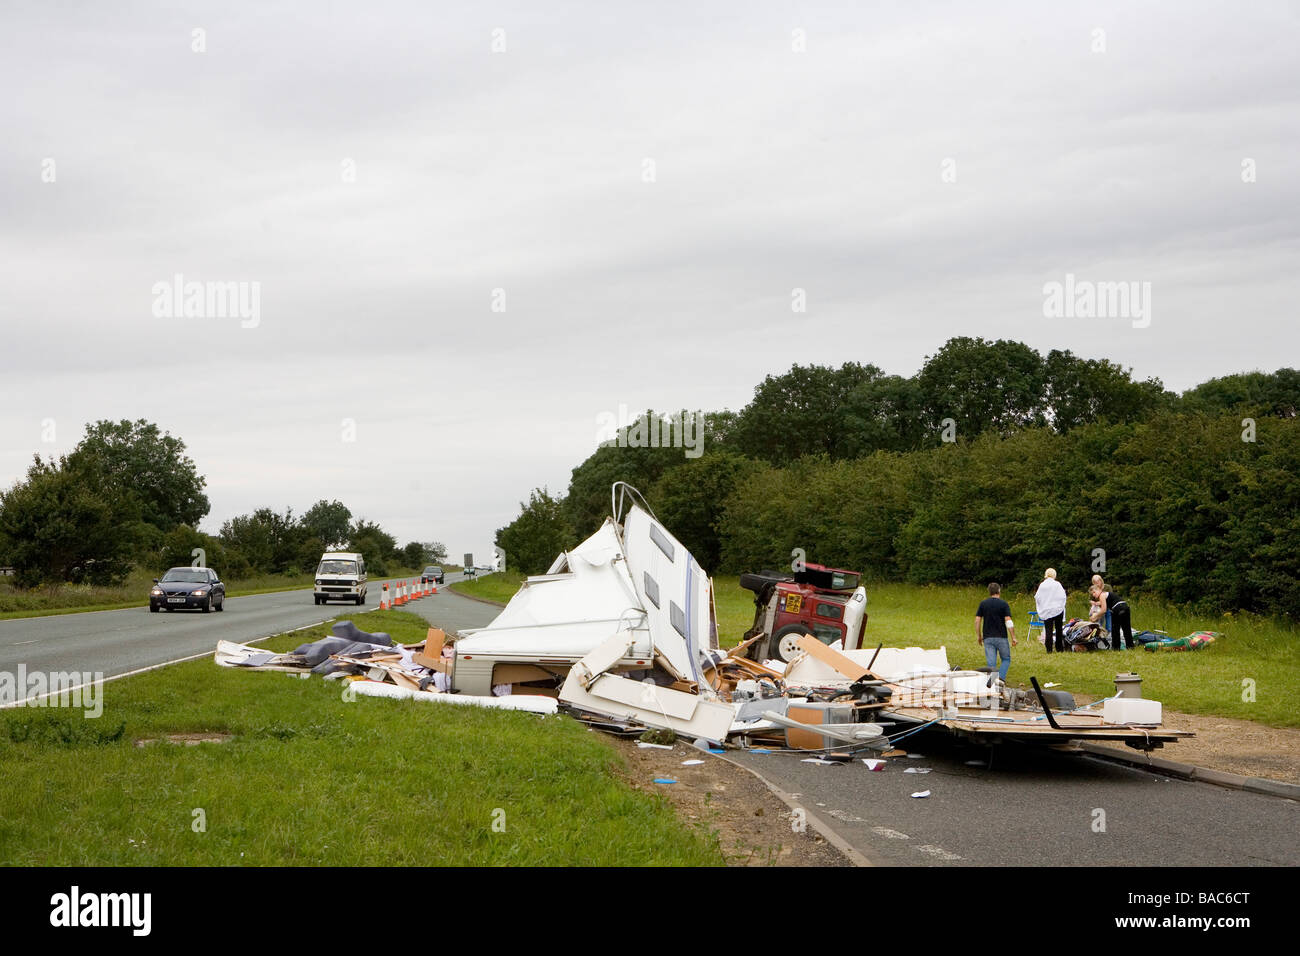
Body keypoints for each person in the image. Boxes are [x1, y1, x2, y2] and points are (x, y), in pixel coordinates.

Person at [975, 582, 1016, 680]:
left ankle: (992, 682)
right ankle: (1000, 679)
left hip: (988, 637)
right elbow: (1008, 621)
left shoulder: (983, 604)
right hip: (1001, 636)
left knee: (991, 664)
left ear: (989, 592)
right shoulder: (1003, 604)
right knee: (1006, 659)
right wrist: (1013, 637)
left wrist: (979, 636)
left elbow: (977, 621)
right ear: (999, 591)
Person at [1035, 568, 1067, 653]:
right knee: (1059, 629)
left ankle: (1049, 649)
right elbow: (1063, 596)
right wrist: (1060, 605)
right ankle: (1059, 648)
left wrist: (1043, 605)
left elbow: (1038, 597)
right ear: (1054, 575)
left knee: (1048, 629)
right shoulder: (1057, 584)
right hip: (1057, 610)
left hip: (1046, 610)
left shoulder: (1042, 585)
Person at [1099, 585, 1134, 650]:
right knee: (1127, 628)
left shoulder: (1101, 595)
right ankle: (1130, 646)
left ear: (1099, 591)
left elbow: (1103, 610)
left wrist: (1095, 616)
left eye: (1094, 592)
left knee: (1115, 629)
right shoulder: (1108, 594)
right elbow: (1102, 604)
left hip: (1117, 608)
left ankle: (1116, 647)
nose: (1093, 595)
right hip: (1125, 606)